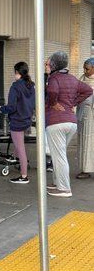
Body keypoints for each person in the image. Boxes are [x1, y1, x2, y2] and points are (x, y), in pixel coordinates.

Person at [45, 51, 92, 197]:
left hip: (57, 122)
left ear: (53, 65)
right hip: (71, 122)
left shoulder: (54, 78)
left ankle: (64, 188)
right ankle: (57, 183)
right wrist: (73, 103)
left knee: (59, 156)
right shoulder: (72, 78)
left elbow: (52, 91)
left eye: (47, 64)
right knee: (58, 154)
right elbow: (88, 90)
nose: (46, 66)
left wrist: (53, 103)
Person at [0, 62, 35, 184]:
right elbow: (33, 104)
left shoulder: (15, 86)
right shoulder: (31, 85)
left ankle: (24, 176)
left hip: (17, 121)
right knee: (18, 144)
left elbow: (12, 107)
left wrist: (1, 109)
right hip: (27, 120)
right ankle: (14, 158)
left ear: (17, 72)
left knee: (21, 149)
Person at [76, 58, 94, 179]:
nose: (85, 71)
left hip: (92, 114)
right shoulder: (81, 79)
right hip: (83, 114)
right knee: (84, 142)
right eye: (84, 68)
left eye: (87, 69)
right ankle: (85, 169)